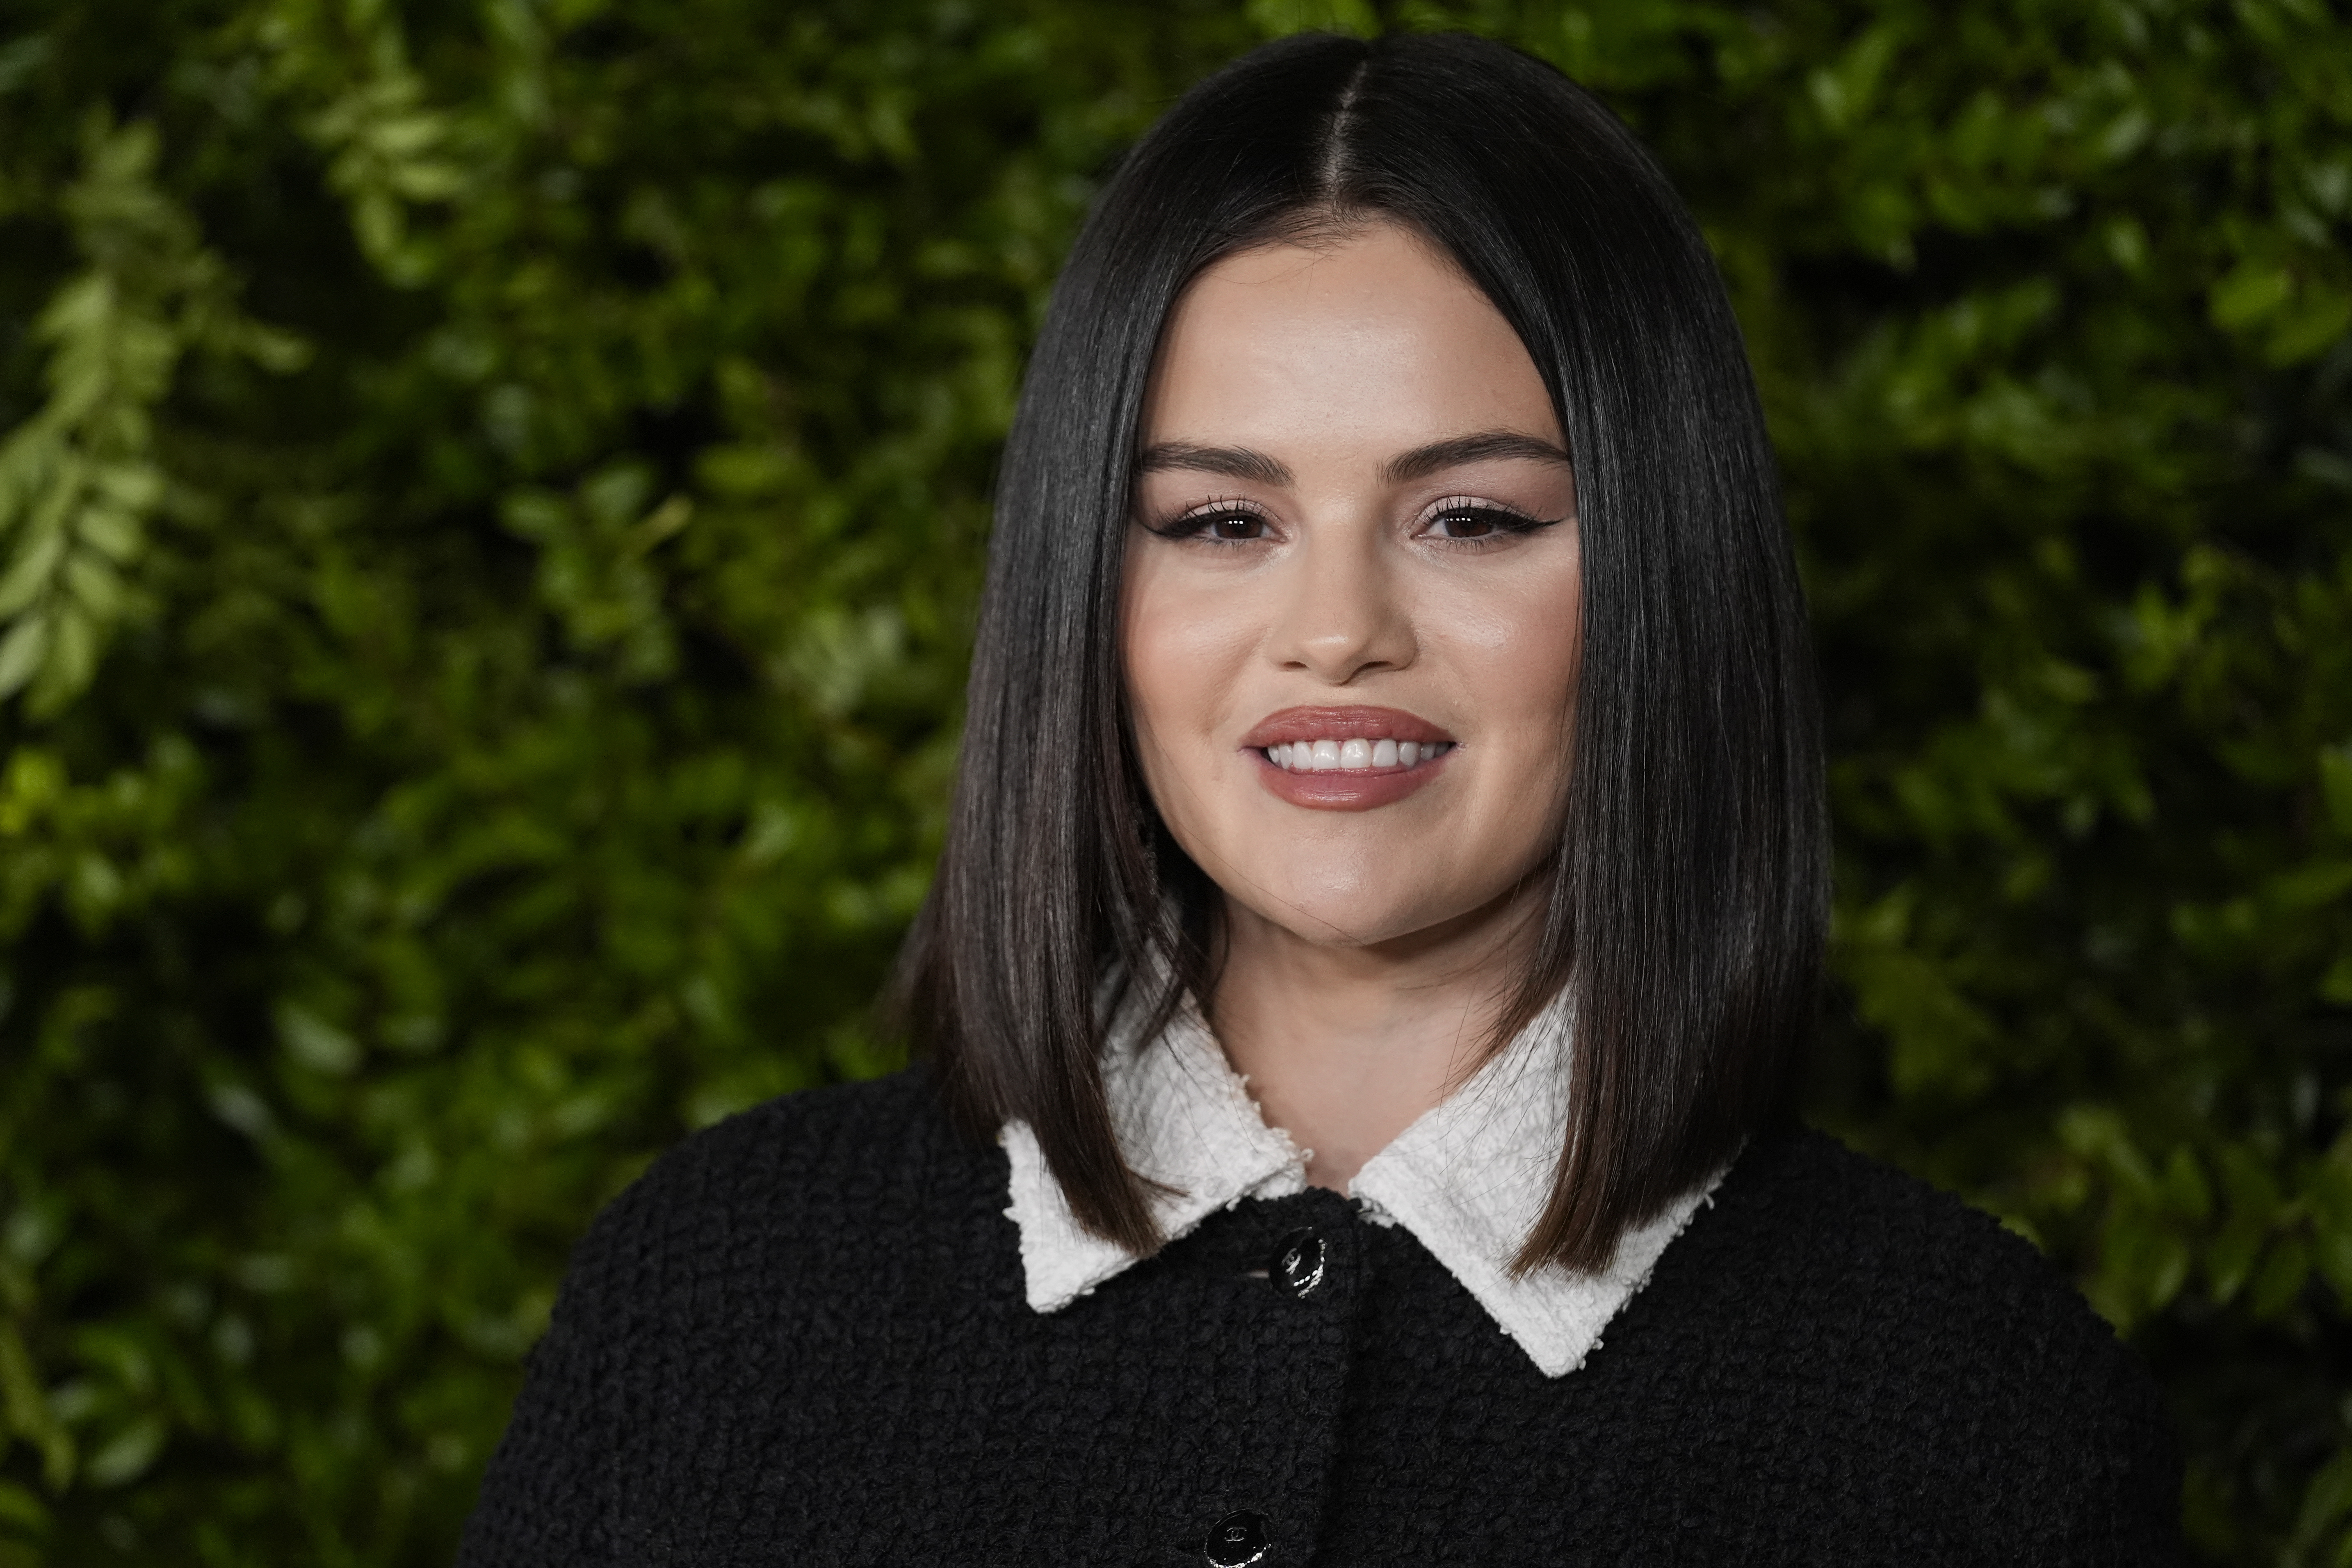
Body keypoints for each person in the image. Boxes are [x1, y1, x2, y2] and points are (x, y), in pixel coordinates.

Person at [459, 30, 2179, 1566]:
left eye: (1473, 518)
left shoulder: (1972, 1401)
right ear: (1090, 591)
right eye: (1221, 520)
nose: (1338, 630)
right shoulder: (716, 1289)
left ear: (1665, 576)